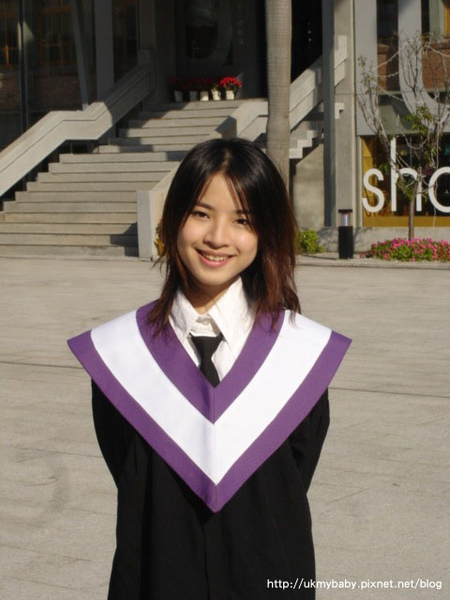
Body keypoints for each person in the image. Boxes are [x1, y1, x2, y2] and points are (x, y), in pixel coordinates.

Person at [68, 138, 351, 600]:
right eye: (201, 213)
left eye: (243, 220)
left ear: (266, 232)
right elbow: (126, 467)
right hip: (154, 576)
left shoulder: (299, 355)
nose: (218, 237)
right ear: (173, 217)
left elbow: (294, 474)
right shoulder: (121, 354)